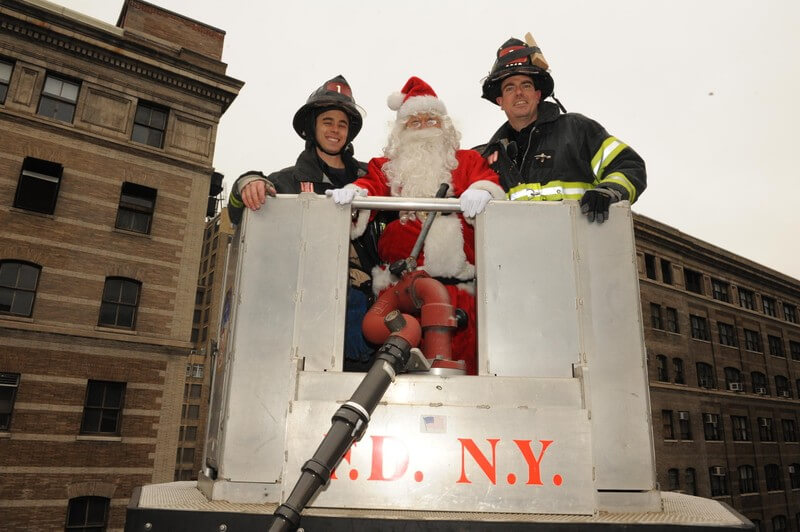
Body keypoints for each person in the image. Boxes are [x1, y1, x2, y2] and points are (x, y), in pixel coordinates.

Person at [329, 76, 504, 375]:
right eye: (414, 121)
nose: (424, 127)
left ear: (444, 126)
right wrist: (358, 193)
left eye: (431, 120)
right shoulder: (388, 166)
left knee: (467, 373)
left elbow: (487, 180)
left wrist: (484, 190)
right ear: (402, 130)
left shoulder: (467, 160)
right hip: (403, 293)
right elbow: (370, 183)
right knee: (401, 374)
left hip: (462, 295)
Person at [226, 75, 379, 366]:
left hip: (371, 310)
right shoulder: (285, 182)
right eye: (327, 122)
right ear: (312, 127)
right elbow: (237, 213)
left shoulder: (370, 179)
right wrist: (247, 182)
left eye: (342, 124)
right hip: (308, 315)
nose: (335, 130)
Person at [478, 34, 646, 223]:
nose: (518, 93)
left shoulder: (577, 130)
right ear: (500, 101)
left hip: (580, 248)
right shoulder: (489, 158)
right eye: (509, 88)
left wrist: (608, 191)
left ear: (538, 94)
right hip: (519, 251)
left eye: (526, 85)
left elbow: (629, 165)